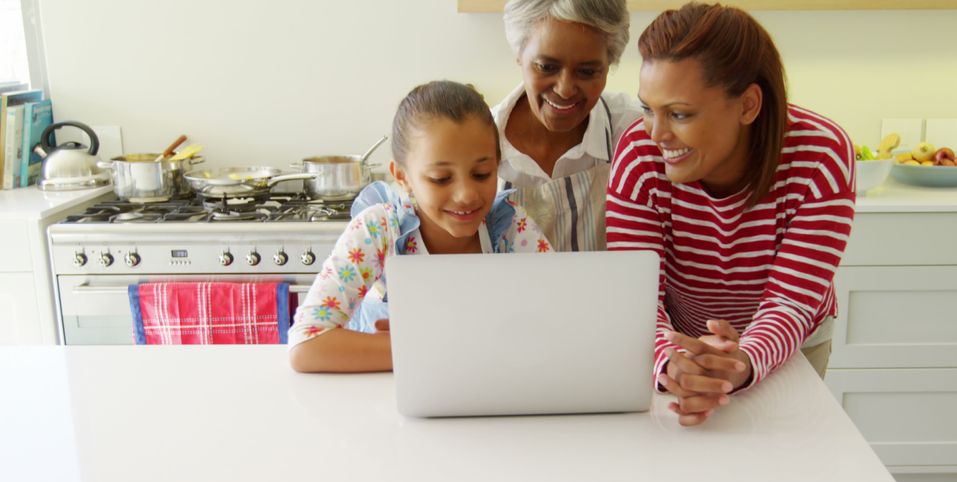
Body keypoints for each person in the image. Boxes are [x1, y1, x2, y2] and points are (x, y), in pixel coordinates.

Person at [606, 4, 857, 426]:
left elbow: (791, 302)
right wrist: (671, 362)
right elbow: (637, 297)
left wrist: (741, 362)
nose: (656, 134)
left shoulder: (822, 157)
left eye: (680, 114)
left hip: (792, 344)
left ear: (748, 105)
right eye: (648, 108)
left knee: (785, 463)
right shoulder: (638, 153)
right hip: (677, 341)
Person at [289, 81, 551, 373]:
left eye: (481, 173)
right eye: (440, 178)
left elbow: (558, 321)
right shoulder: (379, 230)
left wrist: (438, 342)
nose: (466, 194)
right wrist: (442, 345)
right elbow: (306, 345)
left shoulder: (510, 226)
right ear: (402, 177)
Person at [492, 0, 640, 252]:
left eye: (587, 72)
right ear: (519, 54)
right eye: (547, 67)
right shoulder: (474, 140)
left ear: (609, 65)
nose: (565, 89)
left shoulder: (631, 131)